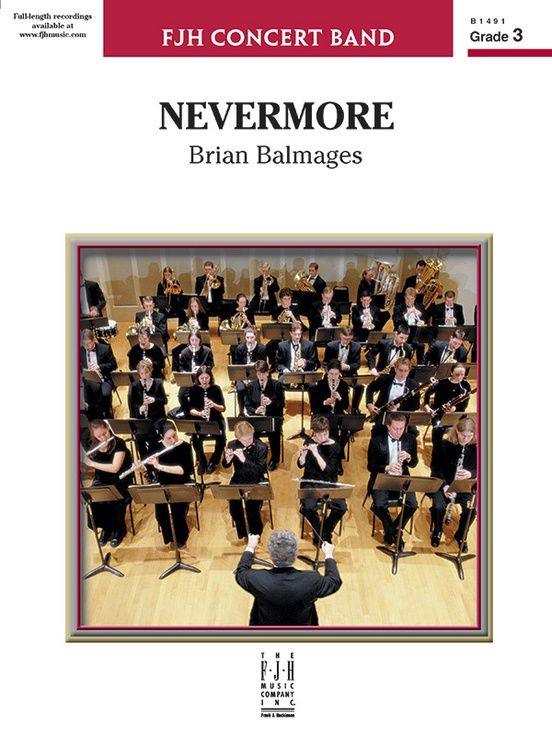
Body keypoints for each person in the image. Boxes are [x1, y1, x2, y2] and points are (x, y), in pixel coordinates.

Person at [235, 530, 341, 626]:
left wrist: (250, 547)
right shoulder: (311, 580)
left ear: (271, 554)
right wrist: (328, 554)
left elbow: (240, 572)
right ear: (295, 554)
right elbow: (334, 581)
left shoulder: (257, 579)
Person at [367, 412, 419, 548]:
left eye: (402, 428)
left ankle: (393, 530)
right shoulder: (376, 441)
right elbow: (370, 466)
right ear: (388, 426)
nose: (399, 432)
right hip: (382, 478)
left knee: (412, 505)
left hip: (402, 478)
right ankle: (395, 534)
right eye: (396, 428)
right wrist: (387, 467)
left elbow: (414, 463)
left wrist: (409, 457)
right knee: (379, 505)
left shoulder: (410, 439)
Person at [81, 418, 133, 547]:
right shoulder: (94, 445)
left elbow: (115, 468)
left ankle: (119, 529)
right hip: (102, 478)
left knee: (112, 499)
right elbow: (90, 467)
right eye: (99, 436)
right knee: (95, 498)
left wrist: (92, 463)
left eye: (104, 433)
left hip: (120, 479)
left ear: (108, 428)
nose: (103, 438)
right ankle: (106, 528)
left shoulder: (119, 443)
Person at [144, 420, 195, 549]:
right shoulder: (155, 447)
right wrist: (140, 467)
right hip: (163, 484)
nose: (173, 440)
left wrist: (159, 466)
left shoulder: (185, 447)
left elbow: (183, 471)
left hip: (181, 483)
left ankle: (181, 537)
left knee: (178, 512)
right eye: (169, 438)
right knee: (160, 514)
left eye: (174, 436)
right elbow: (148, 469)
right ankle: (169, 537)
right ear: (162, 437)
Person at [430, 415, 477, 551]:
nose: (466, 439)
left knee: (471, 510)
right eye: (463, 435)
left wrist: (471, 474)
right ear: (457, 431)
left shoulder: (476, 448)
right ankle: (437, 530)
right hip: (443, 484)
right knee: (438, 506)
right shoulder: (444, 445)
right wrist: (445, 486)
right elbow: (435, 469)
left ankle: (461, 535)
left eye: (469, 436)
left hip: (464, 487)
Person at [298, 415, 345, 544]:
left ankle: (324, 531)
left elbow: (329, 470)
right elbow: (301, 465)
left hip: (329, 483)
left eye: (325, 434)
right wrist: (303, 455)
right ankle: (321, 532)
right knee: (307, 507)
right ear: (314, 433)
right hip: (310, 482)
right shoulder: (309, 442)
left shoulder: (335, 446)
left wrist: (316, 454)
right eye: (319, 435)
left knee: (341, 507)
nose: (323, 438)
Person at [222, 420, 268, 540]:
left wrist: (244, 460)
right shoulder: (232, 445)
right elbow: (225, 465)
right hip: (238, 479)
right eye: (244, 440)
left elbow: (260, 470)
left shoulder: (261, 447)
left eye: (250, 438)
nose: (248, 442)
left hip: (255, 480)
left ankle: (255, 533)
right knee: (234, 508)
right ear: (238, 439)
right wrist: (228, 459)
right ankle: (242, 532)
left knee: (252, 508)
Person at [308, 360, 350, 474]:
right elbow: (314, 404)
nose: (333, 377)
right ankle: (326, 455)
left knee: (346, 432)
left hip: (337, 414)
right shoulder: (321, 384)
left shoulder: (344, 385)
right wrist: (325, 402)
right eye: (331, 374)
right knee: (331, 432)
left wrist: (340, 398)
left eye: (336, 374)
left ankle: (338, 455)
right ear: (327, 372)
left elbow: (346, 406)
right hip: (323, 414)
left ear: (339, 373)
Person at [244, 360, 285, 471]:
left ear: (267, 373)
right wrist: (255, 410)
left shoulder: (276, 385)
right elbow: (247, 405)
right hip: (258, 417)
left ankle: (275, 459)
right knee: (251, 432)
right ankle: (256, 456)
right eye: (258, 374)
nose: (261, 377)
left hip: (273, 415)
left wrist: (271, 402)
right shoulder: (251, 385)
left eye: (263, 374)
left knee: (274, 432)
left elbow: (281, 404)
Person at [187, 365, 226, 474]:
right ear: (198, 378)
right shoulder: (194, 390)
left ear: (210, 377)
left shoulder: (216, 388)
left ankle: (214, 461)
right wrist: (200, 413)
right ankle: (202, 461)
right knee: (195, 439)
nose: (204, 380)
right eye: (202, 378)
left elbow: (223, 408)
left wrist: (214, 405)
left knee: (222, 439)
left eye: (207, 378)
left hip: (215, 420)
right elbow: (191, 409)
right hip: (200, 420)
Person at [128, 358, 168, 464]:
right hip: (142, 420)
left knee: (152, 438)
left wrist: (154, 400)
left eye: (146, 373)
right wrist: (139, 408)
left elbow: (164, 400)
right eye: (142, 373)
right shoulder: (134, 385)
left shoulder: (158, 383)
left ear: (151, 371)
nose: (144, 376)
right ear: (139, 373)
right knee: (139, 440)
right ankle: (148, 466)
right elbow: (132, 404)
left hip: (156, 419)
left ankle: (155, 463)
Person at [365, 357, 420, 424]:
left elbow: (416, 405)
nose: (403, 373)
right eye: (400, 370)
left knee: (413, 430)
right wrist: (369, 403)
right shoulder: (385, 379)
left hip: (402, 416)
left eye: (406, 371)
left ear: (409, 370)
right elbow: (370, 388)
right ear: (395, 369)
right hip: (383, 414)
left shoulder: (413, 385)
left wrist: (399, 407)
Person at [323, 326, 363, 413]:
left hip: (349, 374)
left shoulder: (357, 347)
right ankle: (326, 406)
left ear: (352, 337)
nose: (346, 341)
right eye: (344, 338)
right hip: (333, 373)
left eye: (349, 339)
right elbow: (325, 363)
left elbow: (357, 364)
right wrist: (331, 372)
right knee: (323, 383)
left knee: (359, 387)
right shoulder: (331, 346)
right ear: (341, 335)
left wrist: (347, 367)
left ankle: (355, 408)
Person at [80, 328, 117, 419]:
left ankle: (106, 414)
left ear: (93, 340)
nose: (86, 347)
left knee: (105, 394)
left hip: (104, 378)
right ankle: (92, 417)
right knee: (85, 398)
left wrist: (99, 367)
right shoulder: (80, 351)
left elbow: (114, 365)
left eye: (88, 344)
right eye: (84, 344)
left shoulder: (105, 348)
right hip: (88, 381)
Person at [234, 328, 268, 414]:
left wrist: (254, 377)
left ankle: (258, 410)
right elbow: (237, 366)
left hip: (258, 375)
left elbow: (263, 365)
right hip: (243, 376)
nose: (249, 340)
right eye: (247, 337)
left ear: (255, 336)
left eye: (252, 337)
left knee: (259, 387)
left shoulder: (262, 348)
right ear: (245, 337)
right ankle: (241, 412)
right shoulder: (240, 348)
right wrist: (244, 379)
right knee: (240, 389)